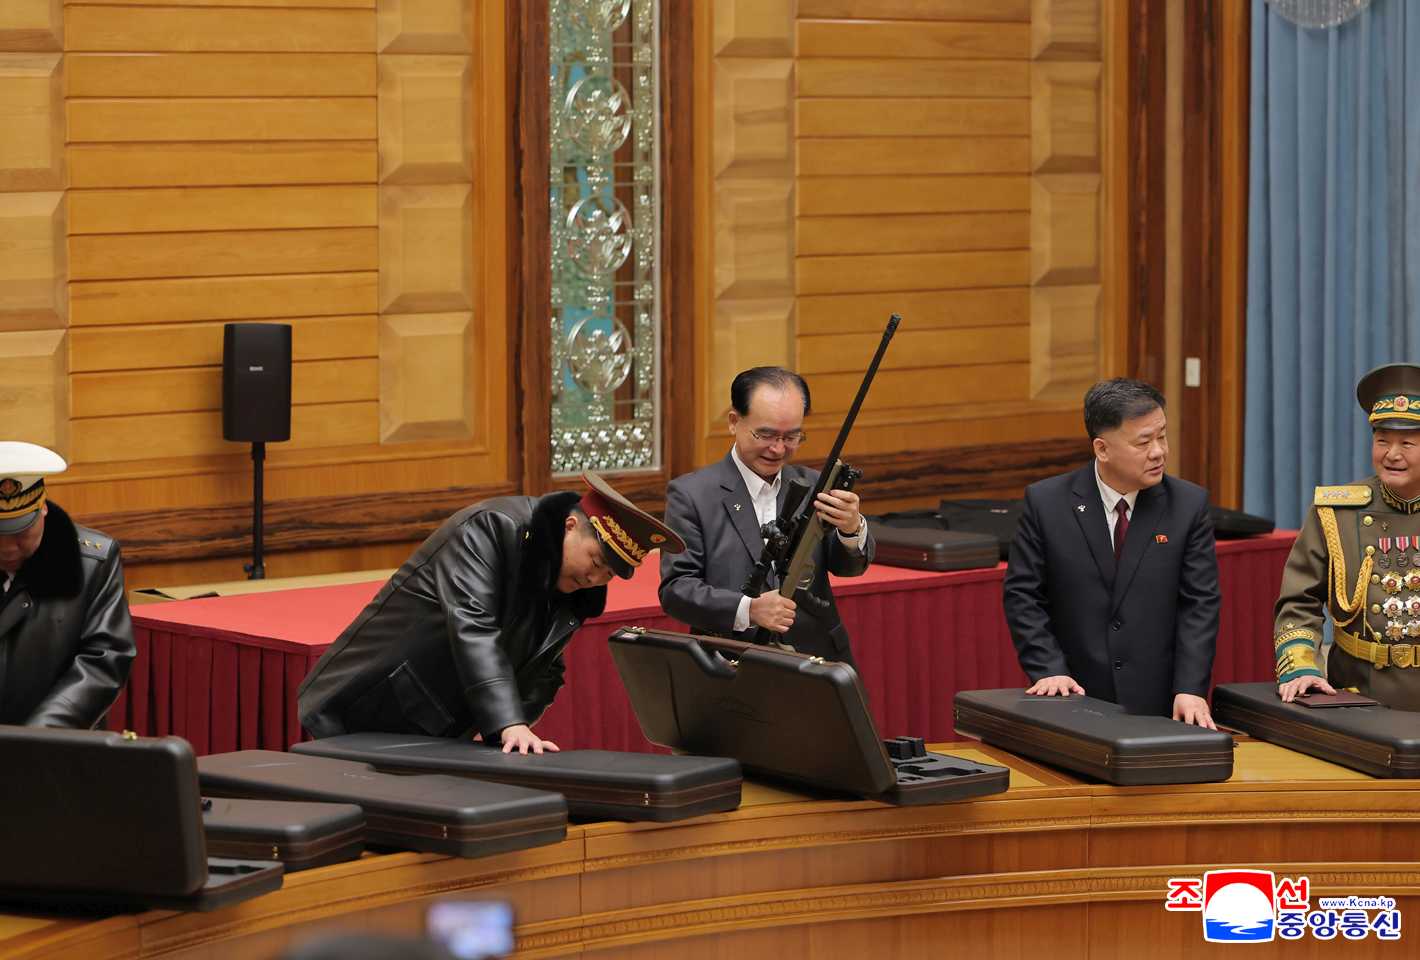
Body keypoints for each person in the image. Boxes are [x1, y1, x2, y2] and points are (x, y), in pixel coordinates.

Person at [298, 472, 685, 754]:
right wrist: (508, 723)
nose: (595, 578)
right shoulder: (490, 528)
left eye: (609, 575)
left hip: (432, 727)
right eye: (596, 561)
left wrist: (509, 734)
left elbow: (545, 667)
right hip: (365, 706)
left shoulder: (573, 586)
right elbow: (473, 625)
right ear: (570, 526)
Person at [1002, 379, 1220, 727]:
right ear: (1102, 449)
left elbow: (1199, 604)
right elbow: (1023, 596)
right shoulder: (1047, 503)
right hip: (1072, 695)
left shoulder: (1188, 506)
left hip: (1158, 701)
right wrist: (1048, 669)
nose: (1158, 452)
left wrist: (1190, 687)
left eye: (1162, 436)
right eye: (1143, 442)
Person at [659, 366, 874, 666]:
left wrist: (851, 530)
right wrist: (748, 610)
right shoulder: (692, 495)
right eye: (766, 434)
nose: (778, 449)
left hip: (816, 661)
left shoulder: (814, 485)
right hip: (730, 664)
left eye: (792, 437)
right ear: (734, 422)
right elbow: (676, 590)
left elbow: (847, 567)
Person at [1274, 363, 1420, 709]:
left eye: (1407, 443)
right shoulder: (1337, 511)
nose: (1392, 454)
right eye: (1382, 441)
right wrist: (1301, 667)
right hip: (1359, 694)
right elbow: (1299, 601)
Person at [0, 441, 135, 728]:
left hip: (55, 743)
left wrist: (39, 735)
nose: (8, 547)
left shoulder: (92, 562)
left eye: (21, 532)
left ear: (42, 509)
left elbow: (103, 660)